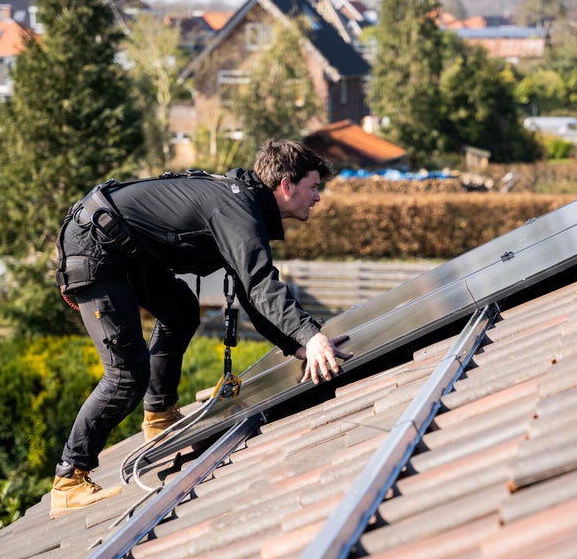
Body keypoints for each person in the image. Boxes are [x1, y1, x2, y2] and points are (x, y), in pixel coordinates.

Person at [50, 139, 352, 518]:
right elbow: (260, 282)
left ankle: (159, 415)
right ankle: (70, 478)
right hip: (94, 246)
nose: (318, 197)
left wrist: (299, 347)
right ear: (286, 185)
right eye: (314, 187)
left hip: (121, 247)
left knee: (179, 309)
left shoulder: (244, 205)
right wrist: (311, 334)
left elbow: (250, 292)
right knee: (127, 375)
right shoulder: (237, 208)